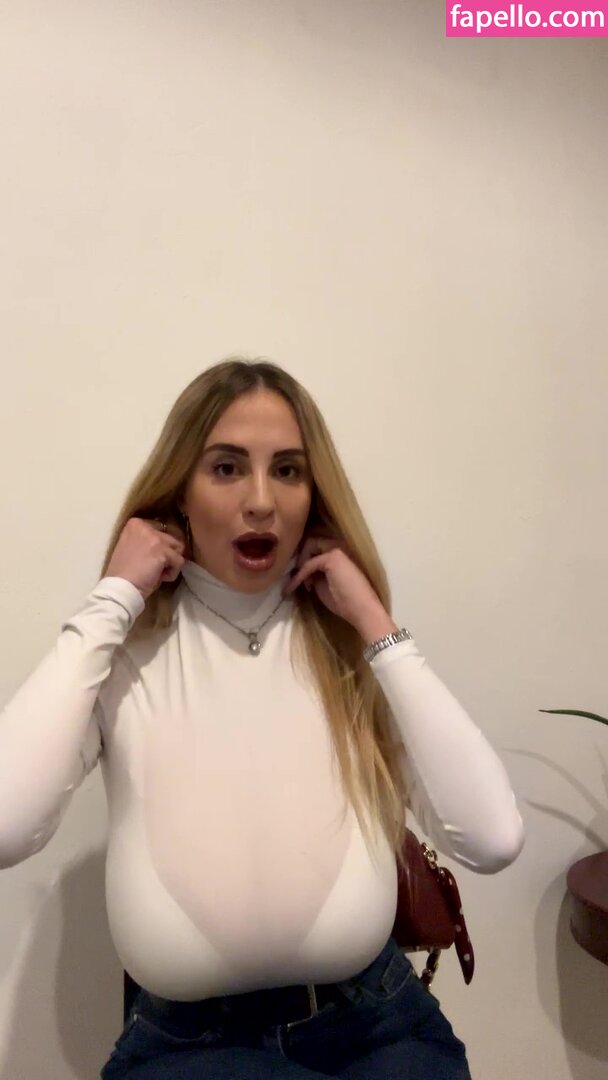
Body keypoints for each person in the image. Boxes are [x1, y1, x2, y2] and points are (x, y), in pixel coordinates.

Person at [0, 357, 524, 1079]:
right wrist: (113, 597)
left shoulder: (347, 645)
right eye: (226, 468)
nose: (260, 501)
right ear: (178, 492)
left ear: (314, 493)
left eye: (287, 470)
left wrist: (376, 624)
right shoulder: (125, 649)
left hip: (380, 1026)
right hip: (193, 1047)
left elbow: (492, 837)